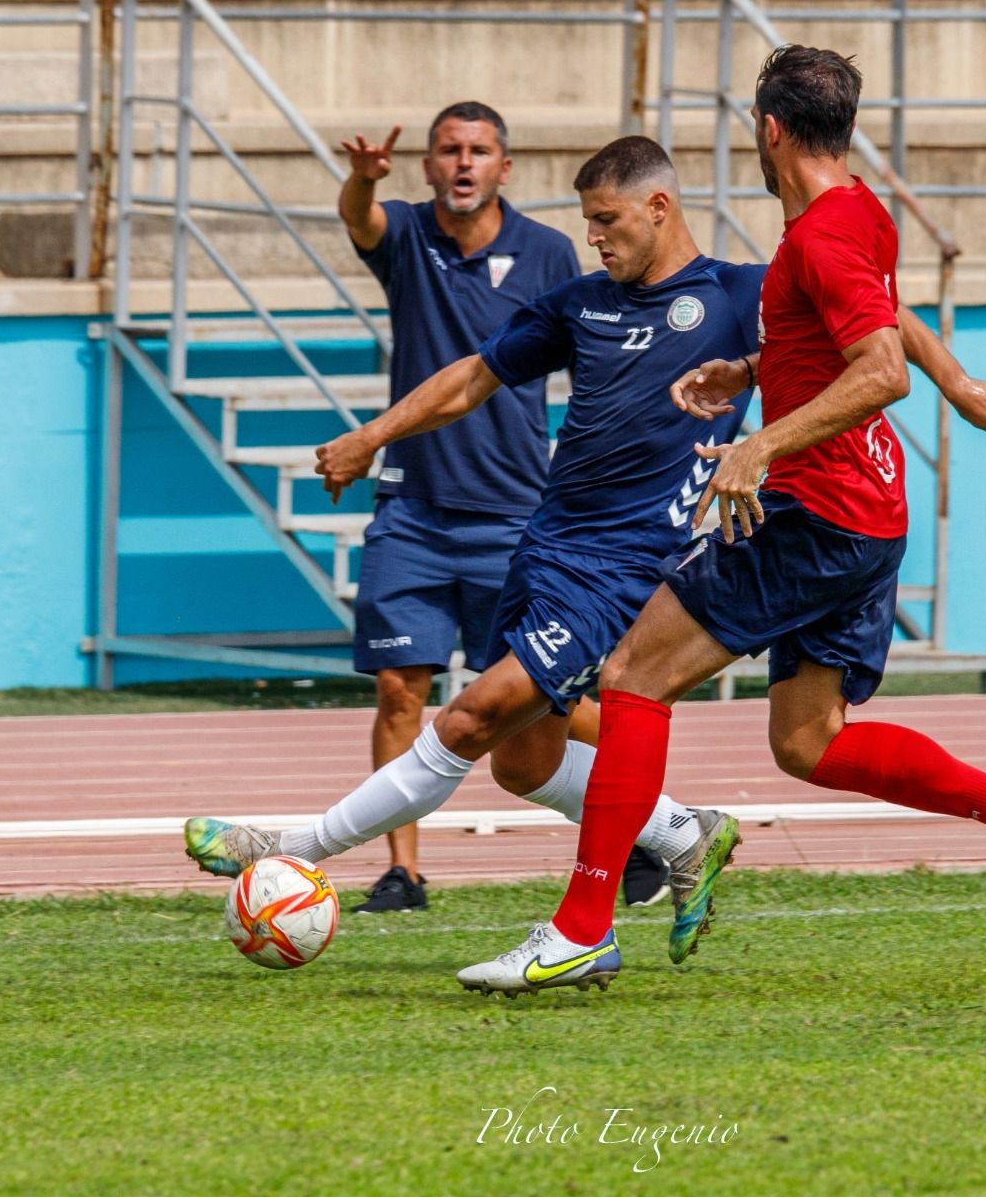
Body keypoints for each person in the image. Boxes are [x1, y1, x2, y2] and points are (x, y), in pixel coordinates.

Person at [458, 46, 986, 997]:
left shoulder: (823, 237)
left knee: (634, 675)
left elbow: (877, 368)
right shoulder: (855, 212)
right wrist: (756, 373)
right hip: (871, 510)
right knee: (809, 743)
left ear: (770, 131)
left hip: (817, 510)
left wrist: (761, 446)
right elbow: (865, 331)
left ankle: (582, 927)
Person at [185, 137, 765, 968]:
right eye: (588, 222)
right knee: (522, 763)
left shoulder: (734, 295)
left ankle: (293, 845)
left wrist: (775, 434)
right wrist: (371, 436)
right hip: (546, 546)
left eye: (607, 221)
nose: (595, 237)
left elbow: (863, 334)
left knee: (465, 717)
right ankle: (681, 829)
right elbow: (470, 378)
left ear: (659, 208)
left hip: (623, 567)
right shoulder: (581, 303)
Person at [315, 102, 663, 911]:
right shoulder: (405, 236)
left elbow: (600, 352)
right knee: (401, 688)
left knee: (540, 704)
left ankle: (644, 817)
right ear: (428, 166)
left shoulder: (550, 252)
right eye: (448, 151)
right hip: (413, 510)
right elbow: (359, 218)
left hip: (515, 514)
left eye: (479, 151)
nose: (463, 163)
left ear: (505, 166)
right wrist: (361, 182)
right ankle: (402, 871)